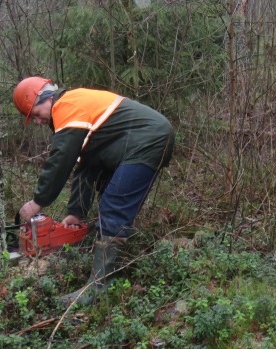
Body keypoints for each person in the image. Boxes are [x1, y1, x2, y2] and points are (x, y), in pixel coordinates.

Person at [13, 76, 175, 306]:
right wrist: (76, 212)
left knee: (113, 206)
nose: (38, 122)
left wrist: (38, 201)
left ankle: (99, 289)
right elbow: (87, 166)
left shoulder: (66, 108)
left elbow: (60, 161)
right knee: (107, 193)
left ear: (45, 99)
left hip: (147, 140)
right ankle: (108, 264)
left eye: (37, 115)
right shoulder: (75, 111)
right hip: (141, 139)